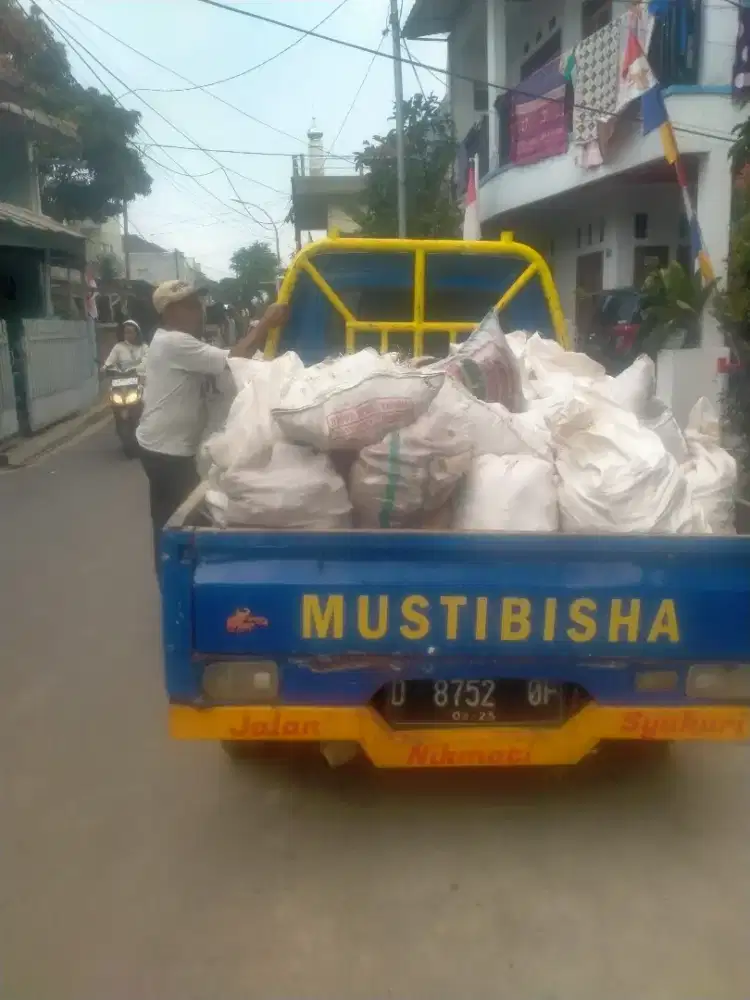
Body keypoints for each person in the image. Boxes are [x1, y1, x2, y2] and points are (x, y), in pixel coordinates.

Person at [136, 279, 288, 576]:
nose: (200, 312)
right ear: (170, 312)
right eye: (191, 306)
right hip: (167, 451)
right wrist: (266, 323)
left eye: (199, 304)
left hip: (163, 445)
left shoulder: (181, 343)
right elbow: (235, 360)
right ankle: (175, 584)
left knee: (172, 519)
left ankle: (175, 579)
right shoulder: (173, 342)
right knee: (176, 523)